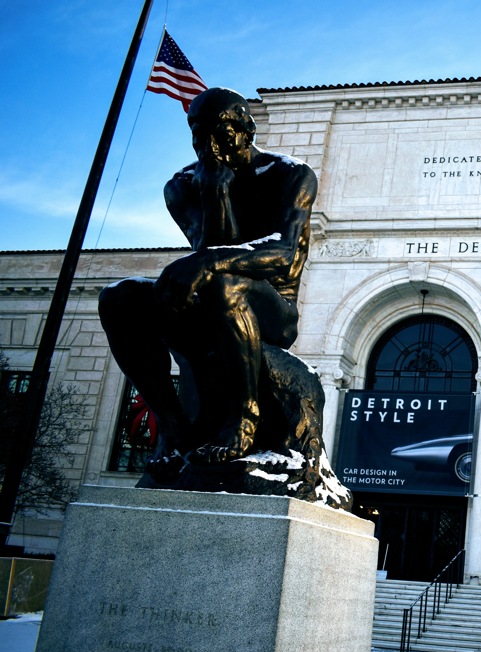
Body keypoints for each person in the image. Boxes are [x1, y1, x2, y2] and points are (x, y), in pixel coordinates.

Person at [98, 87, 318, 477]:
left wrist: (210, 260)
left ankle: (245, 419)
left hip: (273, 311)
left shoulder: (290, 174)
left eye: (221, 131)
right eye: (199, 133)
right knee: (120, 298)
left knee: (223, 283)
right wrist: (215, 189)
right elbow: (208, 250)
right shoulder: (183, 185)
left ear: (246, 128)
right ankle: (171, 423)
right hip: (208, 304)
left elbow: (285, 257)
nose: (210, 143)